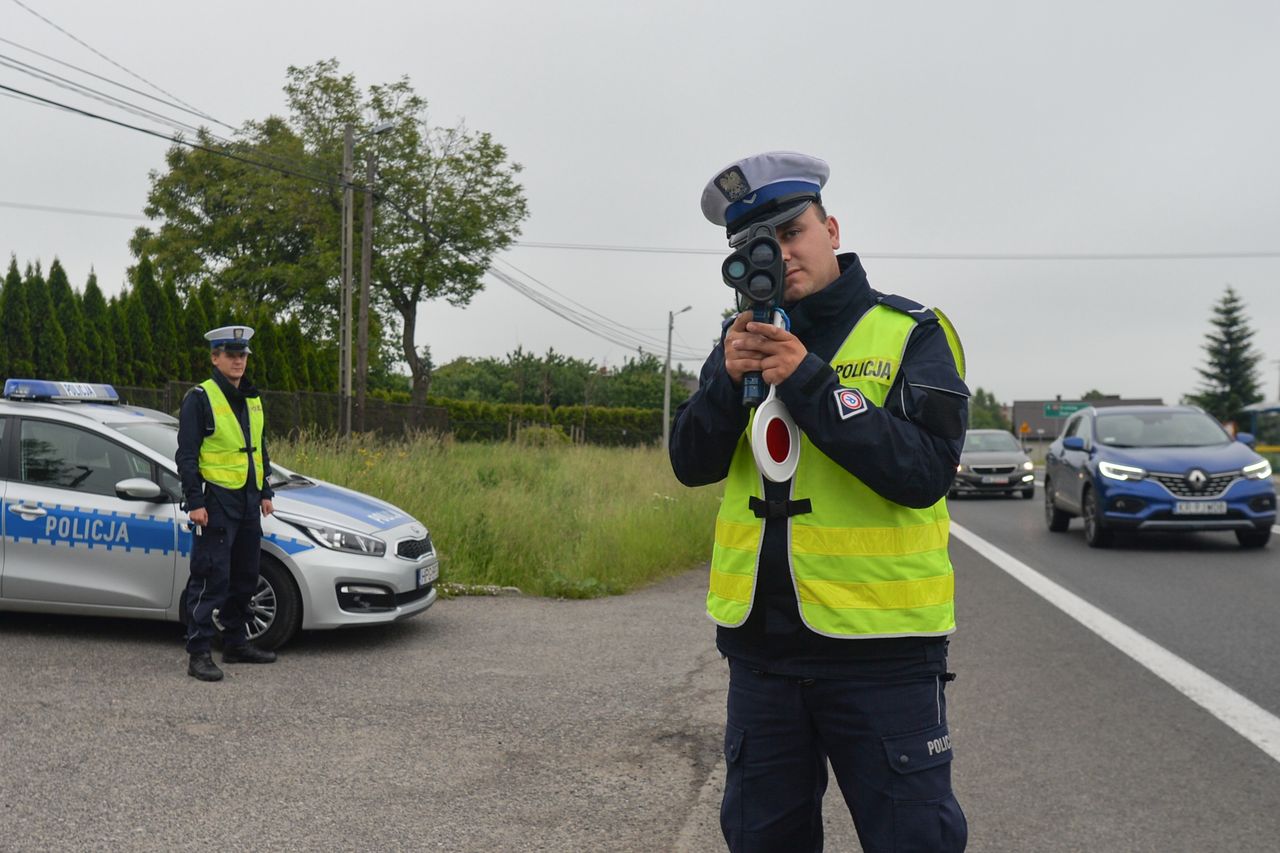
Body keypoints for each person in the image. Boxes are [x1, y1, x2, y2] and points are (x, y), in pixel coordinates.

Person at [670, 151, 970, 852]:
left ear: (831, 228)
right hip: (762, 657)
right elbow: (690, 462)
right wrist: (724, 381)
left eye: (791, 232)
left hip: (884, 655)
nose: (776, 254)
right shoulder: (738, 341)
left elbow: (925, 470)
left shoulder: (911, 331)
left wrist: (808, 379)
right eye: (752, 246)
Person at [176, 324, 278, 681]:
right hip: (215, 501)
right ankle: (199, 653)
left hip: (249, 500)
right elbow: (186, 456)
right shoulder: (199, 398)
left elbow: (258, 448)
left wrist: (265, 490)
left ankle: (235, 643)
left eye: (242, 355)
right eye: (231, 355)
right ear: (215, 358)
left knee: (246, 577)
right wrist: (194, 501)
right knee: (210, 578)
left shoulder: (251, 396)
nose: (238, 361)